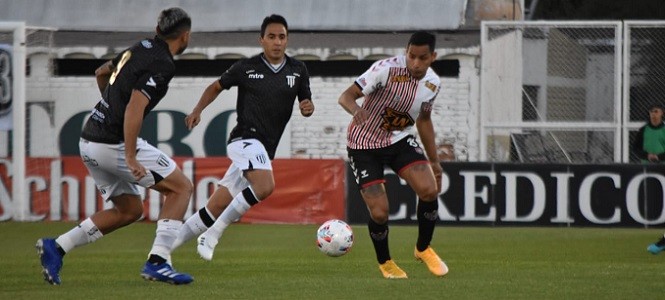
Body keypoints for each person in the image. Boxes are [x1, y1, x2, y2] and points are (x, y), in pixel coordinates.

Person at [36, 7, 194, 285]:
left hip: (89, 141)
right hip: (113, 144)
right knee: (181, 188)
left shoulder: (139, 47)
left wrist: (112, 108)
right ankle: (158, 261)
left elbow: (101, 73)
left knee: (130, 210)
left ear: (158, 30)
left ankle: (57, 247)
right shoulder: (163, 63)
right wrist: (131, 156)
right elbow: (135, 106)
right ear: (185, 36)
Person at [170, 14, 314, 261]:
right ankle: (213, 234)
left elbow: (305, 100)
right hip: (244, 140)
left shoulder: (298, 70)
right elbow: (216, 86)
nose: (277, 42)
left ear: (287, 40)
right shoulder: (246, 67)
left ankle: (162, 251)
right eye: (271, 37)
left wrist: (307, 107)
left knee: (215, 206)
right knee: (265, 186)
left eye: (282, 37)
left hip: (264, 149)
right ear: (261, 40)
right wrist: (197, 110)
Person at [337, 31, 448, 279]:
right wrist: (356, 110)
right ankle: (386, 263)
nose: (416, 63)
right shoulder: (385, 70)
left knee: (429, 190)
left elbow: (425, 120)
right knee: (380, 212)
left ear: (433, 57)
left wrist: (435, 162)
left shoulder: (432, 84)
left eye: (422, 58)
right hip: (363, 145)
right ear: (405, 52)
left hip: (399, 140)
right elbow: (345, 96)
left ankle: (423, 248)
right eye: (411, 56)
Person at [633, 103, 665, 254]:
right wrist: (647, 156)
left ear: (661, 113)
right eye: (651, 111)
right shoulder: (643, 130)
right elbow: (636, 148)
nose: (654, 114)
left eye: (656, 111)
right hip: (647, 170)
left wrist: (659, 157)